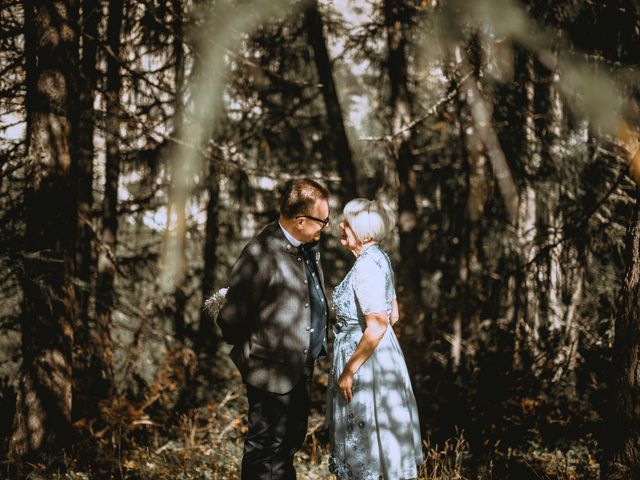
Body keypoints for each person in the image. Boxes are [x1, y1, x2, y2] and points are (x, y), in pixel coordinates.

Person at [216, 178, 330, 480]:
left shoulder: (307, 247)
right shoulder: (261, 252)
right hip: (269, 371)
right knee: (264, 450)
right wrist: (258, 351)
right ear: (301, 220)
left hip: (301, 368)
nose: (325, 227)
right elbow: (230, 317)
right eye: (323, 221)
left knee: (288, 447)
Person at [327, 198, 423, 480]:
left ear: (362, 230)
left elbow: (379, 325)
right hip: (378, 358)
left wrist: (349, 369)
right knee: (379, 444)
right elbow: (393, 314)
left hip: (365, 363)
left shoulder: (367, 266)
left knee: (366, 444)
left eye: (347, 222)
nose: (341, 226)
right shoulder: (379, 258)